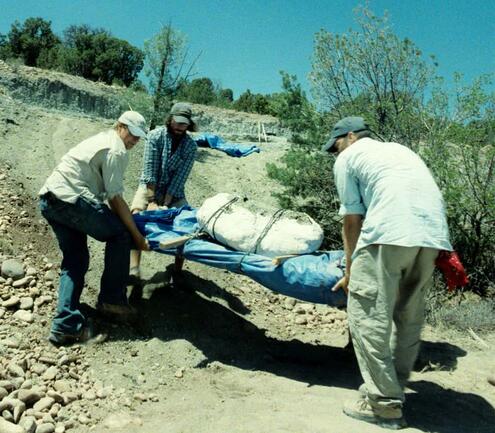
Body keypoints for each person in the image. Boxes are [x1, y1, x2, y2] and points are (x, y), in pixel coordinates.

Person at [323, 116, 452, 429]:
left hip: (388, 236)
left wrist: (351, 270)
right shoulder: (401, 151)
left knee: (367, 317)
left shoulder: (349, 158)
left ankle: (384, 405)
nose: (335, 154)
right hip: (432, 237)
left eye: (336, 146)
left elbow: (352, 220)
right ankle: (394, 389)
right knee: (409, 317)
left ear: (351, 137)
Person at [39, 111, 150, 346]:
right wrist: (137, 236)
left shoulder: (102, 139)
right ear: (121, 126)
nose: (134, 141)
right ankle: (112, 301)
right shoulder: (116, 149)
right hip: (71, 198)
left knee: (75, 259)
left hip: (50, 199)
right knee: (121, 234)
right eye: (132, 134)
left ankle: (65, 326)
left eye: (139, 138)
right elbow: (115, 199)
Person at [129, 102, 197, 278]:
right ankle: (134, 269)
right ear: (170, 119)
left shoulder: (191, 146)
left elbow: (179, 178)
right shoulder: (155, 136)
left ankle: (177, 270)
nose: (181, 127)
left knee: (187, 223)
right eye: (178, 122)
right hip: (149, 187)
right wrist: (152, 203)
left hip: (174, 192)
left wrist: (165, 206)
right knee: (135, 217)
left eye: (185, 123)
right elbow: (149, 171)